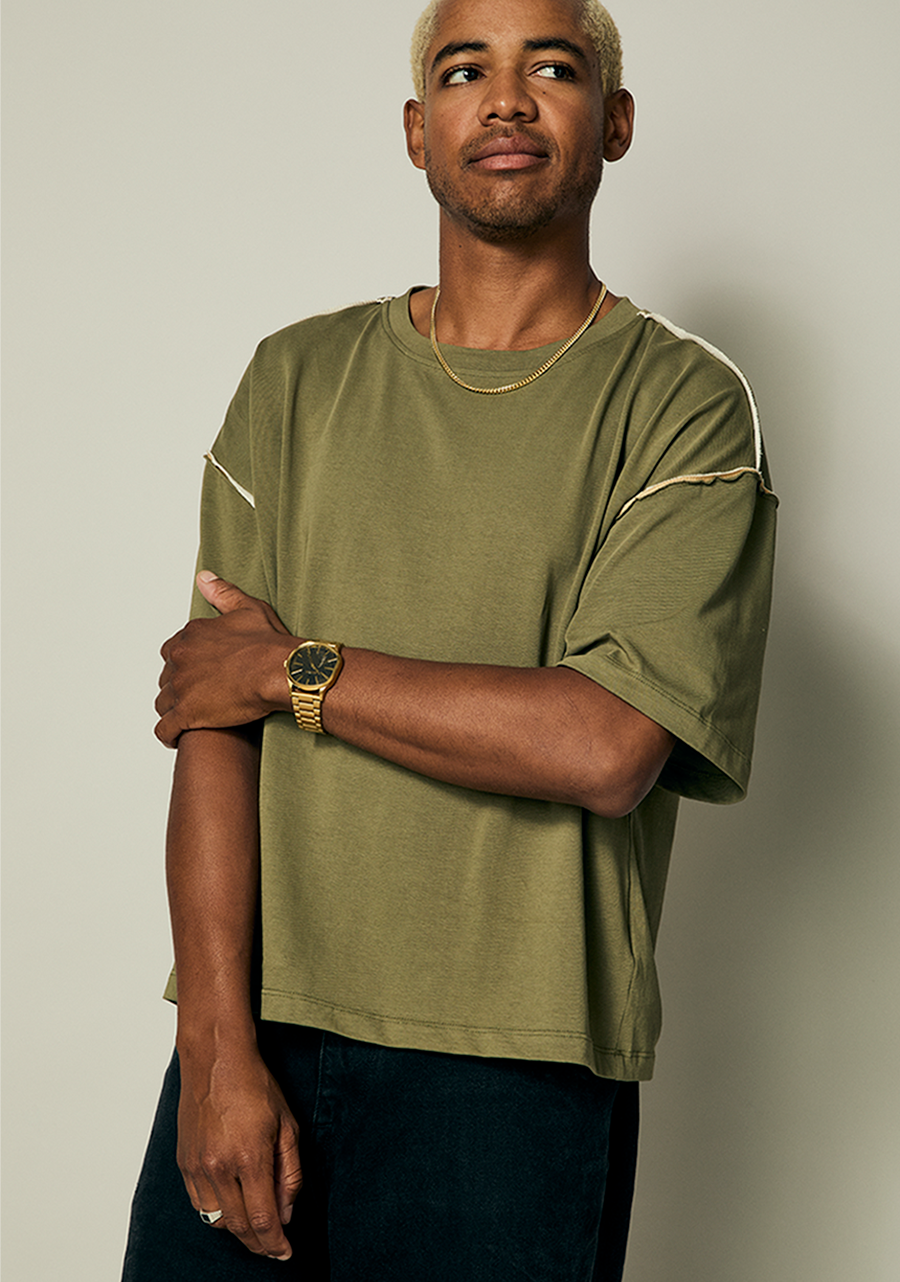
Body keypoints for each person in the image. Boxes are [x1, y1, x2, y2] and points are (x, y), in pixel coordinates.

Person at [122, 0, 776, 1278]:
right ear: (419, 131)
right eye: (467, 69)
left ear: (615, 122)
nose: (509, 99)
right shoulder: (294, 380)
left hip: (516, 1076)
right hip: (257, 1036)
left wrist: (291, 669)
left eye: (555, 67)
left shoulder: (683, 403)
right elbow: (212, 721)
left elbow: (603, 744)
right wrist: (213, 1045)